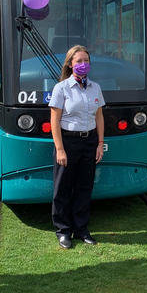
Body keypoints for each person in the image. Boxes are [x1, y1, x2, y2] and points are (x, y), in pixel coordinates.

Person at [48, 45, 105, 249]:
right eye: (79, 61)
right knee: (62, 187)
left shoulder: (95, 88)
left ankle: (81, 228)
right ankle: (63, 230)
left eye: (86, 61)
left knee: (84, 186)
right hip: (68, 142)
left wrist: (100, 143)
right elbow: (54, 120)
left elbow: (99, 116)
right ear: (70, 64)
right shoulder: (61, 88)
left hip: (89, 141)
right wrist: (60, 149)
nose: (83, 64)